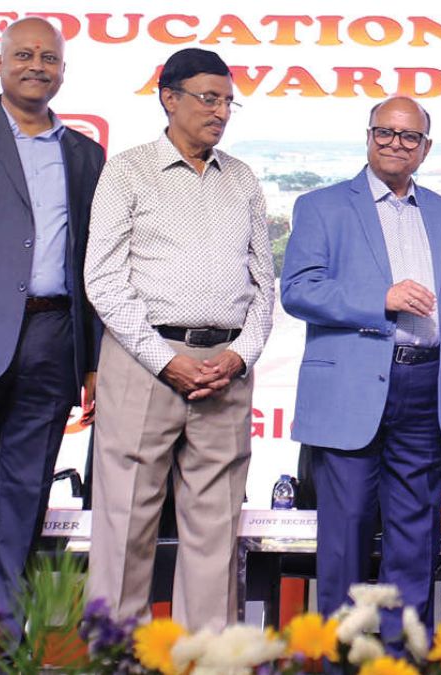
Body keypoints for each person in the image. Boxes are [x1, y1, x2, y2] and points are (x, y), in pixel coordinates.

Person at [281, 97, 441, 640]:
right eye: (385, 132)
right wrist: (382, 298)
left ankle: (402, 656)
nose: (396, 144)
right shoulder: (321, 206)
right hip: (351, 392)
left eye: (409, 136)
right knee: (346, 534)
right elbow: (299, 290)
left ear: (426, 147)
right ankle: (342, 657)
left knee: (415, 538)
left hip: (426, 384)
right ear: (369, 135)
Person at [84, 47, 274, 630]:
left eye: (228, 101)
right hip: (144, 364)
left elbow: (264, 286)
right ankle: (115, 659)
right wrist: (165, 361)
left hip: (224, 372)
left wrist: (239, 356)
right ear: (169, 98)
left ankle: (203, 660)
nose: (220, 112)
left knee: (216, 530)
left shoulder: (242, 179)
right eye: (208, 98)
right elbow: (103, 279)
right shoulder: (128, 170)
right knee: (125, 522)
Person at [0, 17, 104, 635]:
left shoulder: (85, 154)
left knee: (25, 497)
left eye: (48, 58)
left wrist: (94, 360)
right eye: (24, 55)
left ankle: (0, 642)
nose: (37, 66)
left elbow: (96, 262)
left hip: (53, 339)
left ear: (62, 71)